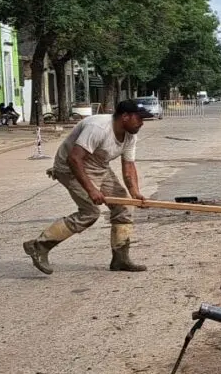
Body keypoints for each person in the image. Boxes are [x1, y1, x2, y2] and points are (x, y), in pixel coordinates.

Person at [23, 99, 153, 275]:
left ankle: (120, 258)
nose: (142, 123)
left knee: (124, 206)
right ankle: (39, 245)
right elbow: (74, 159)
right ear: (125, 116)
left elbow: (128, 165)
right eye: (139, 118)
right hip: (70, 167)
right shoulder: (98, 128)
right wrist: (92, 190)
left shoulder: (130, 135)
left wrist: (135, 193)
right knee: (90, 212)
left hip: (98, 165)